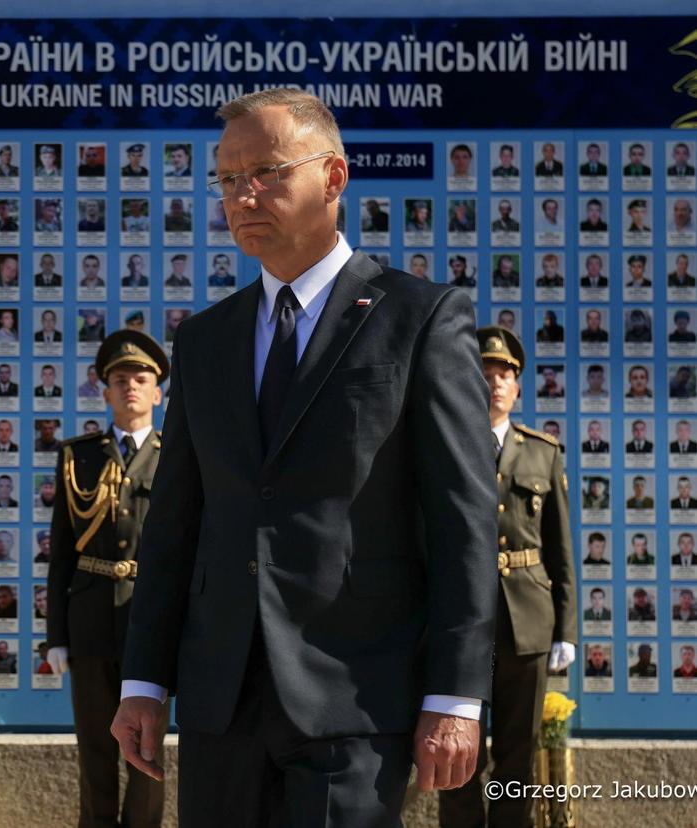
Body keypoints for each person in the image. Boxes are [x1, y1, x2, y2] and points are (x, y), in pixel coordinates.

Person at [112, 90, 498, 827]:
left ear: (334, 177)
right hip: (222, 701)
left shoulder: (418, 318)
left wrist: (453, 697)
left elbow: (463, 519)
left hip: (355, 697)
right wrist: (143, 682)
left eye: (266, 171)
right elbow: (176, 525)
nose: (242, 195)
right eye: (227, 179)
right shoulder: (206, 340)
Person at [47, 329, 170, 828]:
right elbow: (61, 555)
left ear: (158, 392)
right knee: (94, 748)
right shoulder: (79, 457)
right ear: (105, 391)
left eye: (141, 379)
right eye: (119, 380)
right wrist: (56, 636)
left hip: (151, 623)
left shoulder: (178, 455)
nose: (130, 387)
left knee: (147, 754)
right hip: (91, 619)